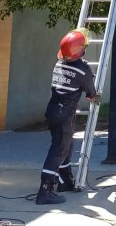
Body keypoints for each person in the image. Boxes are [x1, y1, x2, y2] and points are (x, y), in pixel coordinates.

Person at [36, 28, 99, 205]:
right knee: (59, 149)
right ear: (80, 50)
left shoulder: (59, 64)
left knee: (65, 145)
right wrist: (94, 96)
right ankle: (45, 190)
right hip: (65, 111)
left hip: (53, 108)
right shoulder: (83, 69)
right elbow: (91, 92)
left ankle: (65, 181)